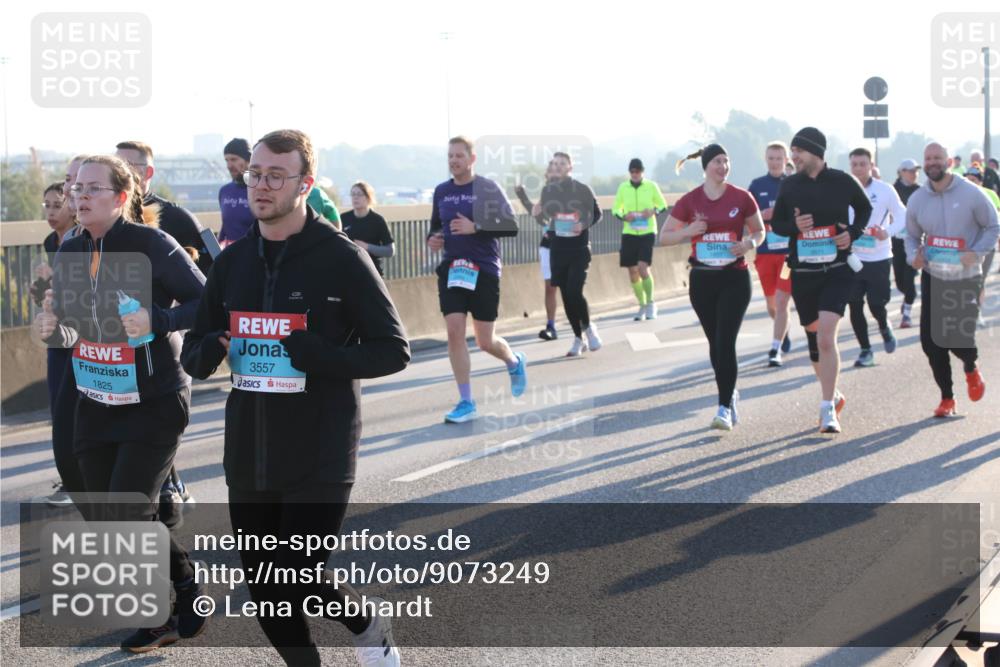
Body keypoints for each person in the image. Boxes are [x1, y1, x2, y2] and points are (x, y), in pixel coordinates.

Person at [182, 129, 409, 666]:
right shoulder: (232, 263)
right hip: (249, 450)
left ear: (304, 184)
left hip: (320, 449)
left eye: (274, 176)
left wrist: (318, 354)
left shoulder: (343, 257)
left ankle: (366, 624)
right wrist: (215, 344)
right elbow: (193, 352)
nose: (259, 185)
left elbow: (393, 350)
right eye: (254, 174)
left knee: (301, 581)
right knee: (268, 597)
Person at [34, 154, 208, 652]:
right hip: (94, 397)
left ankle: (173, 606)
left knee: (129, 512)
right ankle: (178, 592)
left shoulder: (153, 244)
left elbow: (207, 302)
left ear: (121, 195)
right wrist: (55, 329)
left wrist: (157, 319)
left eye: (91, 188)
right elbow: (71, 327)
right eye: (76, 189)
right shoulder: (70, 250)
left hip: (153, 399)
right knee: (109, 515)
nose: (79, 197)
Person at [770, 127, 872, 434]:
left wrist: (851, 233)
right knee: (815, 341)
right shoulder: (790, 185)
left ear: (814, 151)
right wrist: (794, 226)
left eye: (797, 151)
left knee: (827, 337)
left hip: (838, 269)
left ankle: (827, 409)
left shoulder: (842, 180)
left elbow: (865, 209)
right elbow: (778, 224)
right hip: (803, 272)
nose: (793, 156)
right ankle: (834, 394)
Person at [660, 144, 764, 430]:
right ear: (706, 166)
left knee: (725, 341)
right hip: (703, 279)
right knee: (715, 344)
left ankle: (723, 407)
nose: (723, 166)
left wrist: (749, 244)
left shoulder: (741, 197)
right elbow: (664, 237)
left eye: (726, 161)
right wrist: (688, 232)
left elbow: (759, 230)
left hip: (734, 277)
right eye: (717, 161)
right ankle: (729, 392)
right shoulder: (690, 200)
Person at [426, 136, 527, 424]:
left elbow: (511, 226)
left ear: (472, 159)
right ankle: (466, 401)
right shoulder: (442, 191)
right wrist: (433, 239)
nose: (453, 160)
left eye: (459, 155)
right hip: (453, 268)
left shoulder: (487, 188)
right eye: (450, 156)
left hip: (484, 268)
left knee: (485, 341)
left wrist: (476, 227)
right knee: (455, 331)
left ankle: (513, 361)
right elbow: (437, 225)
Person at [904, 142, 999, 417]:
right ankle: (947, 398)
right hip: (934, 275)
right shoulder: (918, 199)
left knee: (957, 336)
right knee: (930, 341)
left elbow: (993, 226)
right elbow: (910, 236)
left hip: (966, 276)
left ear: (948, 161)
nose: (933, 162)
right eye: (928, 158)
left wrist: (977, 252)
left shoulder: (971, 193)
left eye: (938, 158)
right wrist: (914, 256)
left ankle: (970, 367)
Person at [32, 181, 82, 507]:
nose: (51, 212)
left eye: (57, 204)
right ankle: (71, 479)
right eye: (47, 205)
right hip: (58, 336)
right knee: (59, 408)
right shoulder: (52, 242)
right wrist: (40, 284)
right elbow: (46, 299)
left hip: (85, 335)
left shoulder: (83, 239)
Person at [533, 152, 604, 356]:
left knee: (575, 291)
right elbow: (545, 221)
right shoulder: (548, 191)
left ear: (570, 167)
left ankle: (589, 328)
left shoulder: (581, 189)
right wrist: (537, 213)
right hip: (558, 249)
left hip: (579, 249)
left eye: (562, 163)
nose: (558, 166)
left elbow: (597, 214)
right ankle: (577, 338)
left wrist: (583, 224)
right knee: (565, 295)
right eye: (555, 163)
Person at [846, 148, 907, 368]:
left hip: (879, 256)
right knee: (853, 304)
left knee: (876, 303)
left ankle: (883, 324)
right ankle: (866, 350)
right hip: (853, 257)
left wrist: (887, 231)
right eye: (854, 164)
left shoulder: (885, 190)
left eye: (863, 164)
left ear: (871, 165)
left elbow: (903, 215)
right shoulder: (844, 190)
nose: (859, 168)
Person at [115, 141, 213, 274]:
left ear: (148, 172)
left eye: (126, 166)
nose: (118, 173)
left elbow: (211, 273)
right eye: (115, 167)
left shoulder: (177, 218)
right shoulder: (107, 216)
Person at [747, 142, 793, 367]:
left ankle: (775, 346)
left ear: (786, 160)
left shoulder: (793, 184)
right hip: (765, 252)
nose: (775, 162)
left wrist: (779, 215)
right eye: (771, 158)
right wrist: (763, 217)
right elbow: (748, 217)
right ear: (766, 160)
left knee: (782, 302)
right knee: (772, 304)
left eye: (779, 158)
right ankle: (783, 329)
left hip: (787, 254)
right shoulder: (757, 185)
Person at [613, 158, 667, 320]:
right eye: (632, 171)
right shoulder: (623, 187)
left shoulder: (651, 186)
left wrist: (653, 211)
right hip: (629, 232)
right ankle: (642, 305)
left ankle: (651, 303)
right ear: (629, 173)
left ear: (642, 172)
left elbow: (663, 205)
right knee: (632, 271)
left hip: (647, 232)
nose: (635, 174)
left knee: (643, 267)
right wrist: (624, 216)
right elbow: (616, 209)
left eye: (638, 171)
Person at [515, 161, 559, 341]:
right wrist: (521, 195)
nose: (552, 174)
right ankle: (551, 326)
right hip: (548, 246)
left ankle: (582, 323)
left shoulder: (571, 191)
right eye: (549, 171)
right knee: (550, 287)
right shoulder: (546, 193)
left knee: (571, 288)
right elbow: (539, 217)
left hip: (568, 246)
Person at [963, 164, 1000, 324]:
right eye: (968, 179)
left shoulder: (991, 195)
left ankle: (977, 311)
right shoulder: (960, 195)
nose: (970, 182)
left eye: (973, 179)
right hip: (966, 245)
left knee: (980, 279)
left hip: (985, 246)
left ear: (980, 181)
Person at [341, 181, 395, 277]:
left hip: (372, 272)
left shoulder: (378, 220)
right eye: (353, 194)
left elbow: (390, 251)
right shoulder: (343, 218)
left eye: (359, 194)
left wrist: (366, 247)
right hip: (348, 271)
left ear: (369, 197)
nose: (355, 197)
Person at [892, 159, 922, 328]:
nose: (914, 174)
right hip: (896, 242)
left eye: (916, 171)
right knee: (900, 282)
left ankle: (906, 315)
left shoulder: (921, 191)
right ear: (902, 172)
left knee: (909, 282)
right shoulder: (893, 190)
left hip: (915, 241)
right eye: (911, 171)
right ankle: (907, 299)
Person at [218, 137, 255, 246]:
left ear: (248, 160)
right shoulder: (224, 191)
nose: (229, 166)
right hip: (230, 255)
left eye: (234, 159)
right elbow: (226, 227)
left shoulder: (260, 190)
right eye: (226, 160)